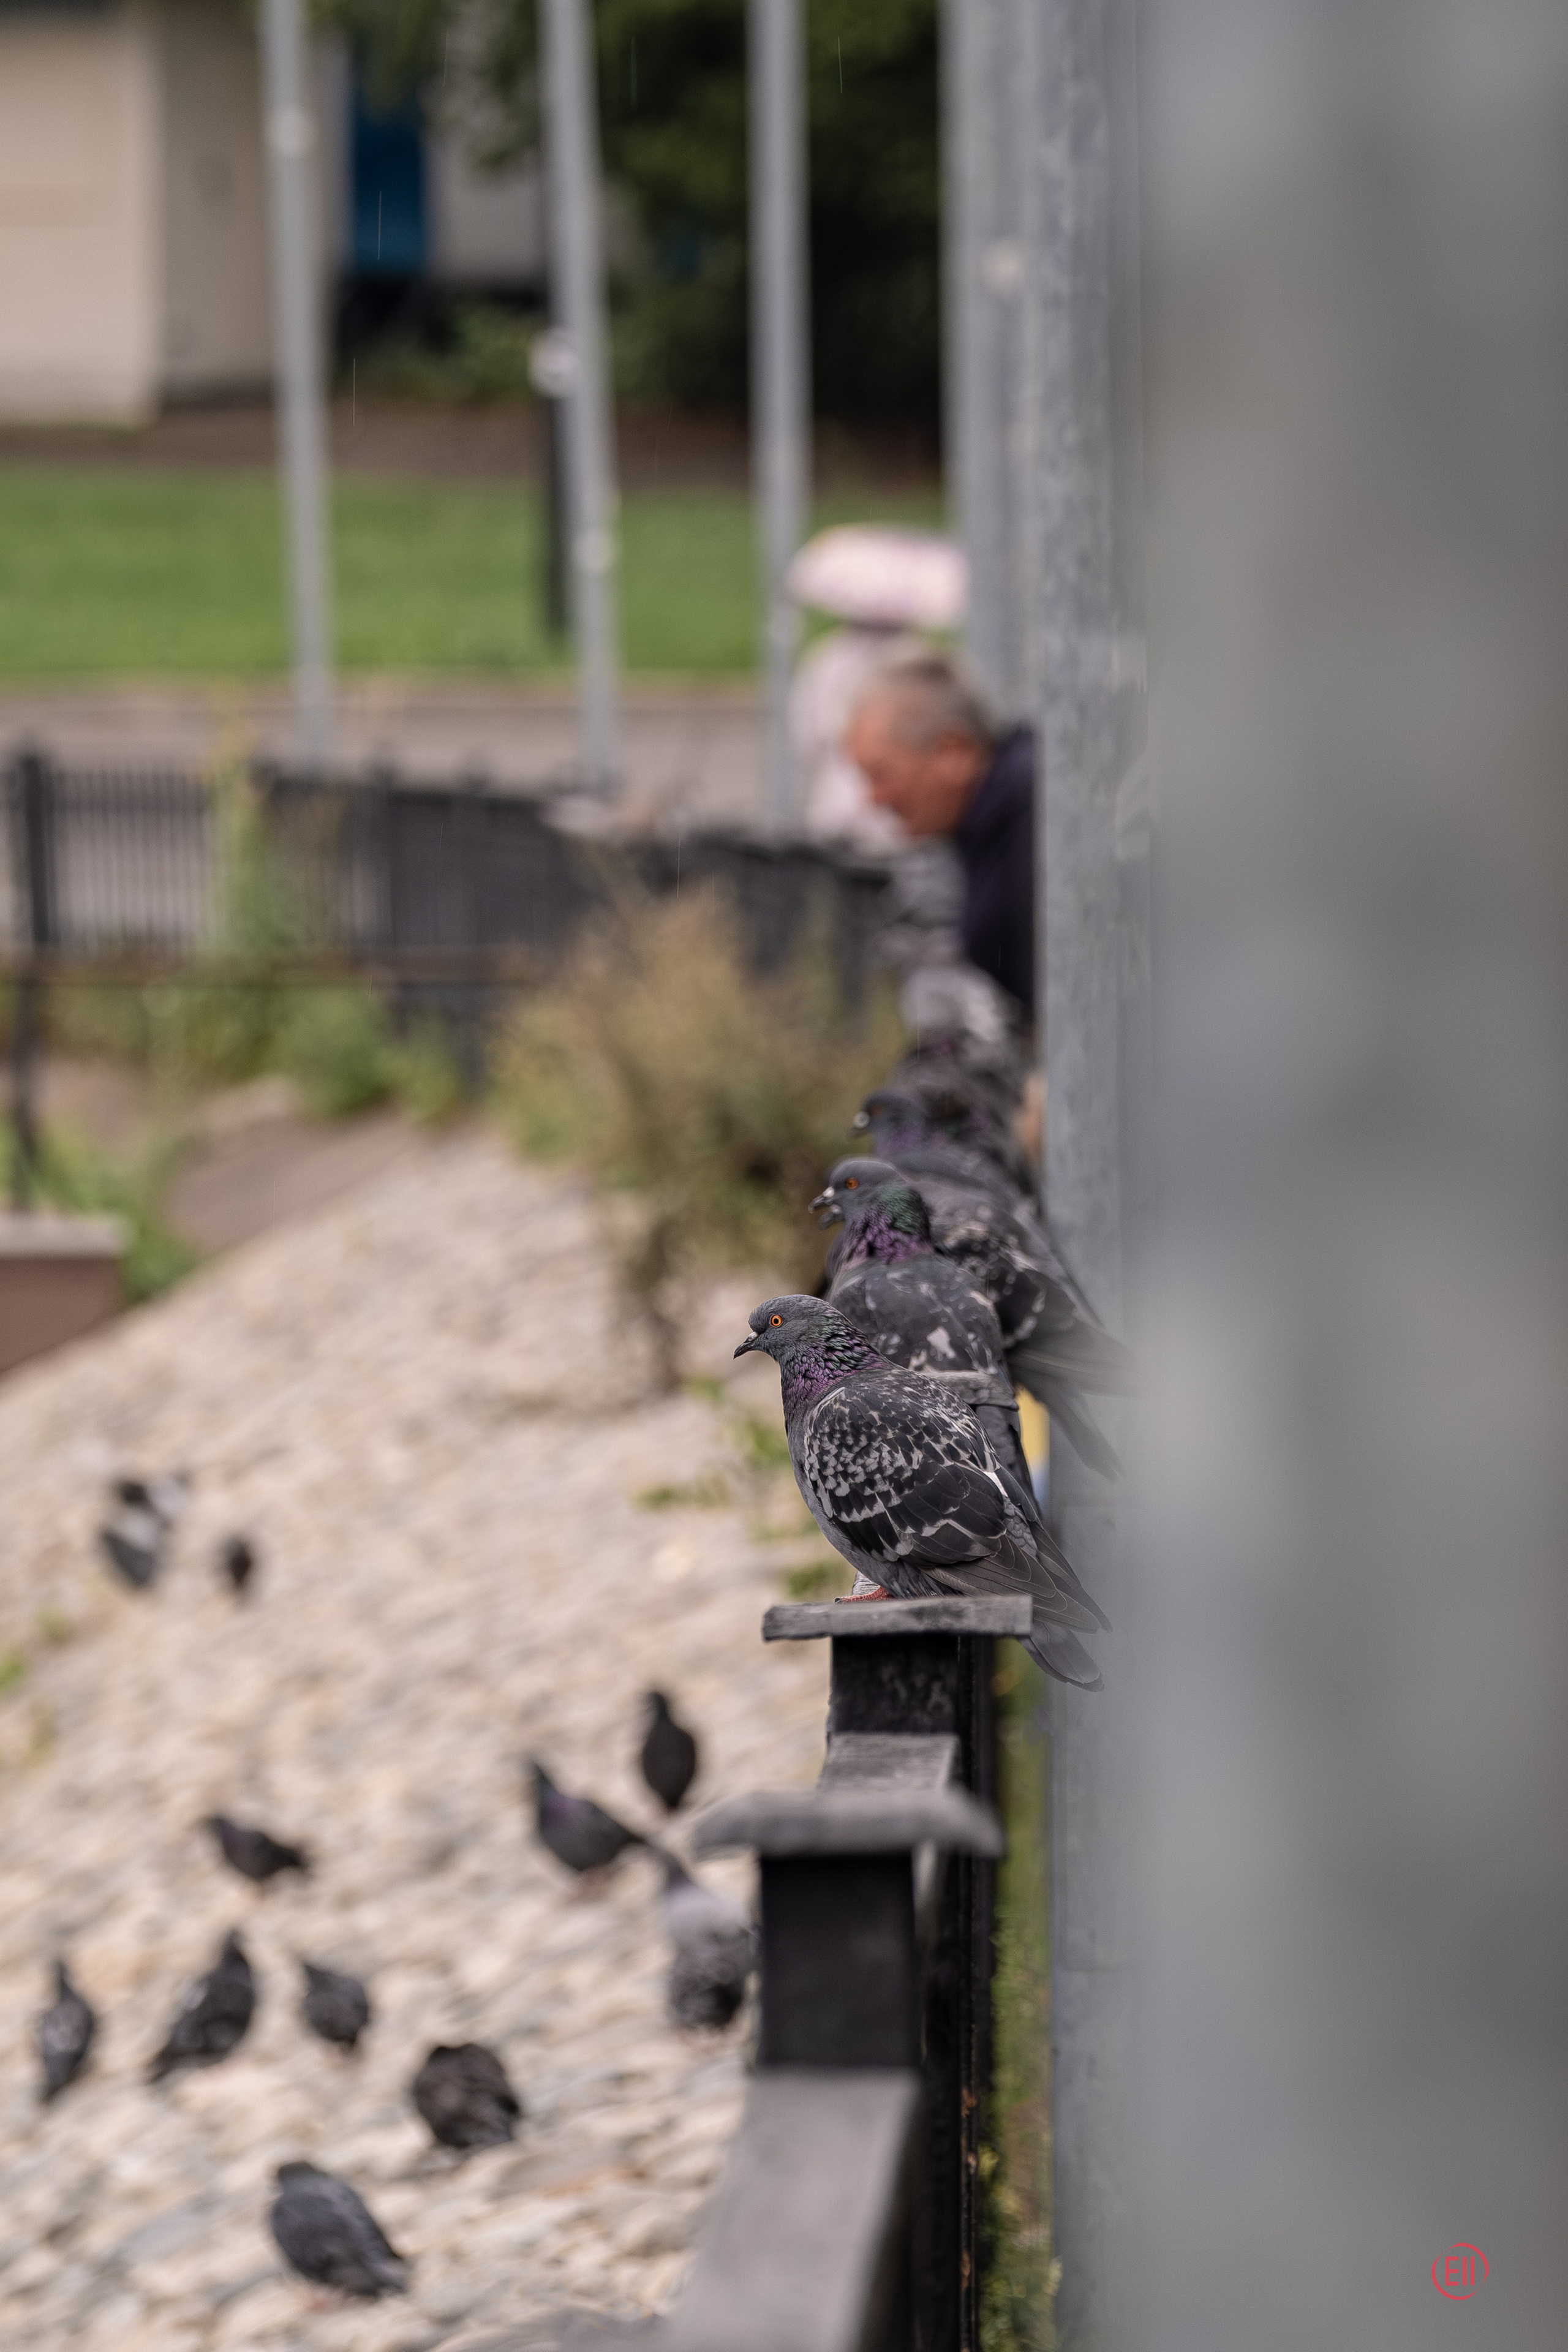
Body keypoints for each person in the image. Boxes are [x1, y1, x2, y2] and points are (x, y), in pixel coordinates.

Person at [844, 649, 1036, 1020]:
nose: (874, 800)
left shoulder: (1030, 830)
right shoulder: (1008, 813)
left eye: (881, 775)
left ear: (954, 752)